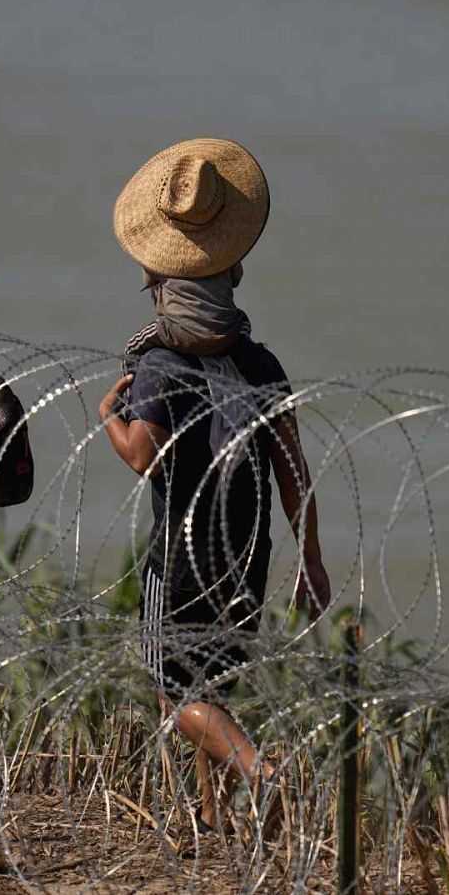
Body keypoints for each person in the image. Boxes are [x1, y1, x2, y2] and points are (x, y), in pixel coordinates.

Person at [102, 137, 331, 835]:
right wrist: (312, 558)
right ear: (233, 268)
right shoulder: (260, 362)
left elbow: (143, 457)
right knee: (213, 686)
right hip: (247, 545)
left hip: (180, 550)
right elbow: (293, 471)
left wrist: (110, 416)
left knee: (174, 693)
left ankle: (258, 772)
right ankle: (213, 814)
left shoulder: (162, 362)